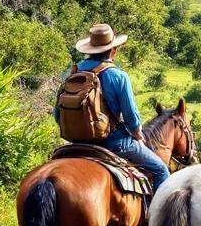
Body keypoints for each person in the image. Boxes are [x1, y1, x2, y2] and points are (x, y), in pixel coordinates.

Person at [54, 23, 170, 190]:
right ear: (113, 51)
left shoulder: (70, 73)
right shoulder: (118, 76)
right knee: (161, 170)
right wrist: (139, 136)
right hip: (113, 142)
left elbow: (57, 114)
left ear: (89, 50)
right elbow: (131, 119)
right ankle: (155, 216)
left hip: (75, 143)